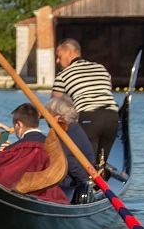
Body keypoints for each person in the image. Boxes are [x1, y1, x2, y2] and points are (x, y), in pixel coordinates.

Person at [51, 38, 119, 167]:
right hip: (112, 118)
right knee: (101, 163)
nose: (57, 61)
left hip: (89, 118)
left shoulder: (63, 75)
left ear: (69, 52)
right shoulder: (101, 68)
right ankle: (101, 179)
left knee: (86, 163)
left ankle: (87, 184)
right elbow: (108, 87)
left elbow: (54, 105)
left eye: (59, 56)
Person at [44, 95, 96, 203]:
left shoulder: (64, 136)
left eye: (48, 114)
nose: (45, 118)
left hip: (70, 187)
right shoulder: (75, 128)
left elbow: (71, 163)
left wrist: (84, 184)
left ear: (60, 117)